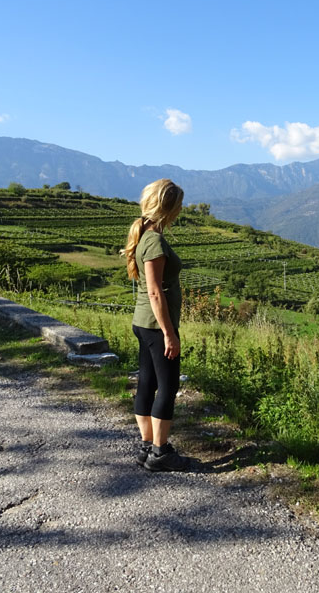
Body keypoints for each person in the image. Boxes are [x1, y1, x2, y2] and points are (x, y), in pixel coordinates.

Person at [123, 179, 189, 471]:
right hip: (154, 325)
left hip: (143, 322)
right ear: (170, 207)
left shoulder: (145, 234)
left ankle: (148, 446)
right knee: (167, 385)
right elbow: (154, 291)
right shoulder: (155, 241)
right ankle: (160, 453)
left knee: (147, 382)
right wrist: (169, 334)